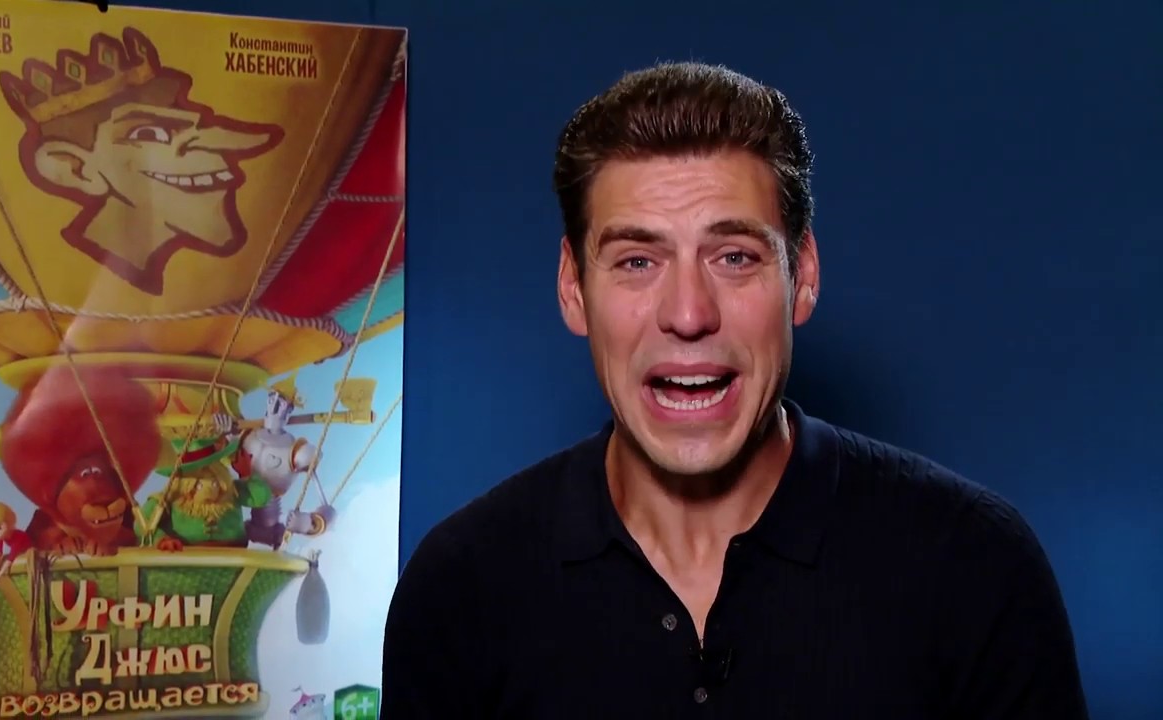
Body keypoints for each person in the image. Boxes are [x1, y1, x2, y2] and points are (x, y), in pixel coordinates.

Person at [380, 62, 1088, 718]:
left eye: (735, 257)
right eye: (637, 261)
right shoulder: (461, 587)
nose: (689, 314)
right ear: (572, 288)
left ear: (802, 276)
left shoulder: (974, 565)